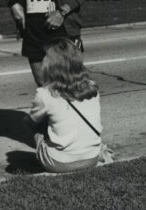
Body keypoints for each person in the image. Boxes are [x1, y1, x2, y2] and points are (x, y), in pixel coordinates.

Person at [25, 39, 105, 173]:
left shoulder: (45, 94)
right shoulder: (92, 87)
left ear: (51, 65)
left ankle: (54, 153)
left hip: (59, 163)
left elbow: (31, 121)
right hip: (92, 157)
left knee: (37, 124)